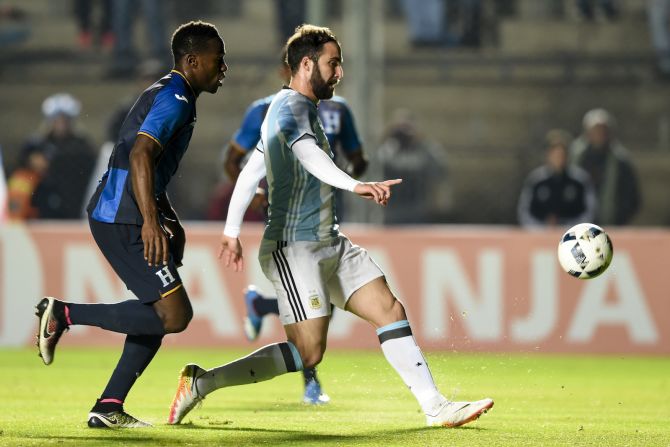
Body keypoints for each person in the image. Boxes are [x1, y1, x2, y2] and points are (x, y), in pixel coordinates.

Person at [168, 24, 493, 428]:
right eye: (333, 63)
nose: (339, 72)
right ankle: (202, 383)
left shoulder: (293, 108)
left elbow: (253, 169)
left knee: (389, 309)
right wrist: (356, 184)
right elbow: (309, 157)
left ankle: (435, 407)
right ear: (307, 65)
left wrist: (232, 231)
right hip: (294, 246)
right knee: (308, 352)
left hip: (328, 240)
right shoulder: (291, 109)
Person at [34, 21, 227, 428]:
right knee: (175, 316)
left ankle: (108, 406)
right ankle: (64, 314)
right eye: (217, 59)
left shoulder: (169, 91)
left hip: (123, 212)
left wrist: (165, 213)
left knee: (156, 311)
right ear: (192, 61)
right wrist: (151, 221)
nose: (223, 67)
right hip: (121, 217)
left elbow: (147, 165)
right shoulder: (175, 98)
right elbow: (140, 154)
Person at [218, 47, 368, 405]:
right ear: (298, 69)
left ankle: (262, 308)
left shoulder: (314, 108)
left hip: (320, 212)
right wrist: (345, 177)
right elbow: (358, 159)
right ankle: (310, 380)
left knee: (320, 297)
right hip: (292, 216)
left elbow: (233, 159)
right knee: (319, 300)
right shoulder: (286, 109)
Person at [23, 93, 97, 219]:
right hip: (41, 203)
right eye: (57, 119)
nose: (61, 123)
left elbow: (86, 168)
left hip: (71, 203)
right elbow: (22, 164)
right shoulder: (36, 144)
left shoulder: (82, 144)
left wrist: (51, 162)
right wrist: (31, 160)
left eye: (65, 119)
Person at [376, 108, 451, 225]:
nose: (404, 133)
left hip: (418, 209)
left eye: (407, 128)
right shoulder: (389, 148)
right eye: (400, 128)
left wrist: (420, 142)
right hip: (392, 210)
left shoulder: (425, 149)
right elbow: (377, 165)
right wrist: (391, 141)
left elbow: (441, 170)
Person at [570, 108, 641, 225]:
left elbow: (632, 197)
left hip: (610, 223)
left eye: (603, 131)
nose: (599, 135)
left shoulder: (621, 161)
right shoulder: (575, 156)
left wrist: (619, 218)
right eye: (595, 131)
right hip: (577, 224)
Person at [517, 129, 597, 228]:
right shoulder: (536, 180)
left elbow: (589, 211)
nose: (559, 159)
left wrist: (571, 228)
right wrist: (540, 228)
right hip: (540, 234)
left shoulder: (580, 180)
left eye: (562, 155)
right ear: (548, 155)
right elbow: (524, 211)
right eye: (556, 155)